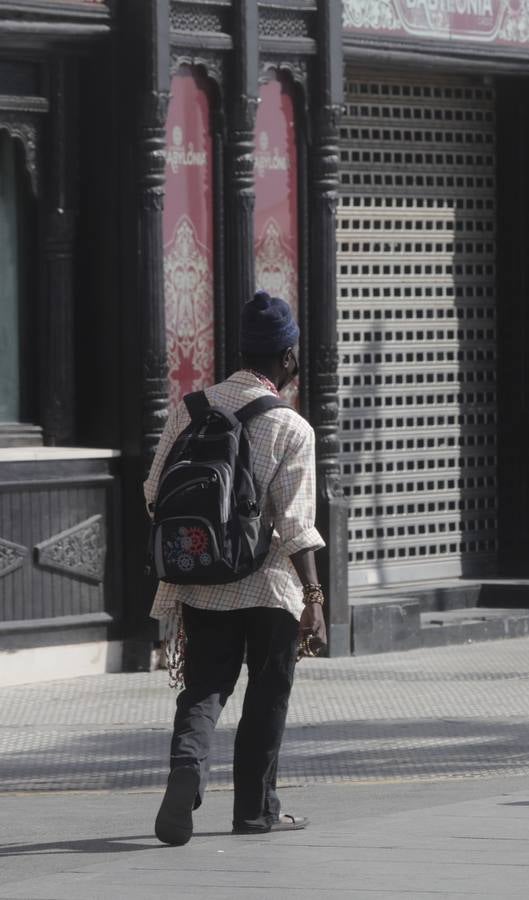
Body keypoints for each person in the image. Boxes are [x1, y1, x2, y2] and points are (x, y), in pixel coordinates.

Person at [147, 291, 328, 845]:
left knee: (204, 688)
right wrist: (315, 599)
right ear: (289, 358)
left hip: (202, 581)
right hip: (271, 584)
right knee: (267, 695)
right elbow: (295, 525)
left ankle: (187, 771)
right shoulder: (292, 428)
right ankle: (255, 811)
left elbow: (155, 491)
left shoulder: (191, 408)